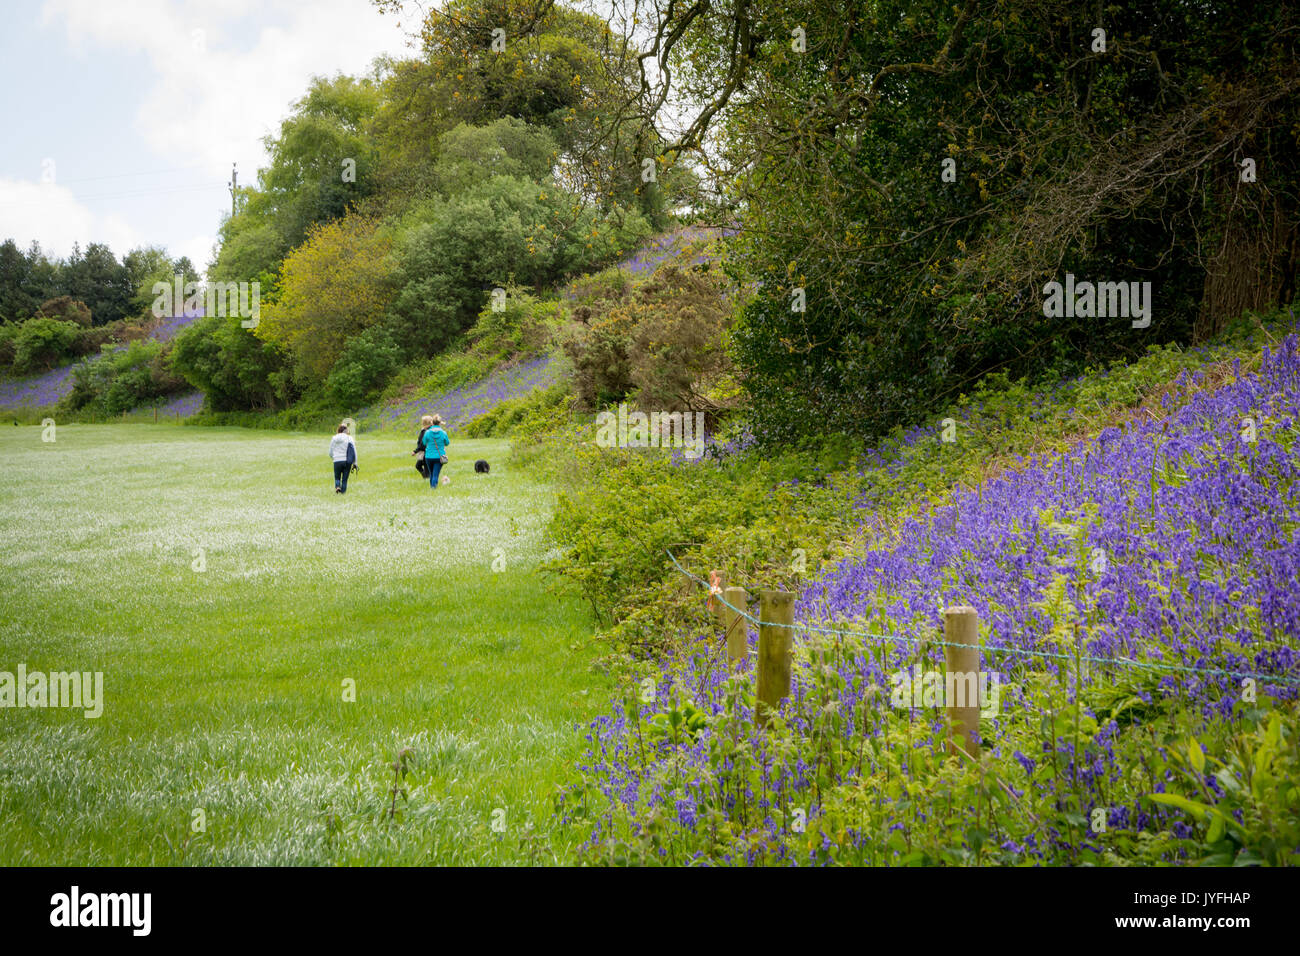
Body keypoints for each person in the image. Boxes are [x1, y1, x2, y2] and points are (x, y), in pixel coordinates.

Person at [420, 414, 450, 489]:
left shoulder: (427, 432)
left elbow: (424, 442)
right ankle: (433, 488)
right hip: (439, 456)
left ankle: (432, 487)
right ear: (440, 423)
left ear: (432, 423)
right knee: (435, 474)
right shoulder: (443, 433)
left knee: (432, 473)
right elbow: (447, 443)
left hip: (428, 456)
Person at [329, 423, 356, 494]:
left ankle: (337, 486)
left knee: (337, 477)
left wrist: (334, 457)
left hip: (336, 460)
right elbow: (354, 451)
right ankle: (343, 493)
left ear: (339, 430)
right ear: (346, 430)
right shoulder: (349, 438)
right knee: (344, 479)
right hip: (346, 461)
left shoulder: (334, 438)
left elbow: (330, 452)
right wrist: (355, 462)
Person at [412, 414, 433, 478]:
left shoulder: (425, 431)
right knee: (419, 466)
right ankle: (426, 477)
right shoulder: (431, 430)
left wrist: (415, 451)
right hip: (429, 451)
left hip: (425, 452)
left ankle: (427, 478)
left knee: (421, 467)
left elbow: (422, 444)